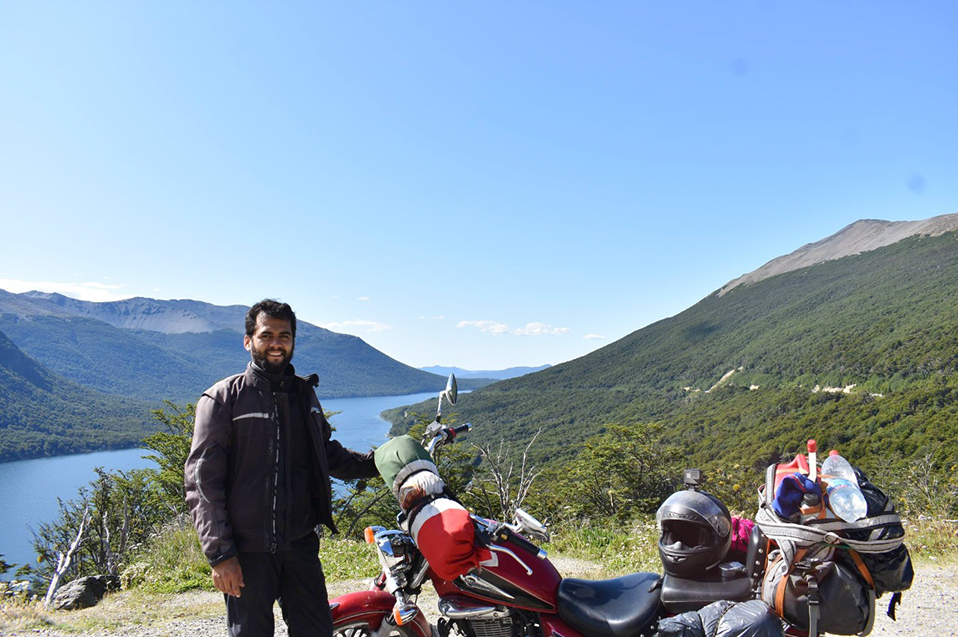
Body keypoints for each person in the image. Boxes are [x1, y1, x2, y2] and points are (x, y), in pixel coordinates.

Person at [185, 299, 378, 636]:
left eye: (284, 336)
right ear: (249, 341)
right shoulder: (223, 399)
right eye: (266, 335)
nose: (276, 343)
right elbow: (202, 482)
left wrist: (381, 463)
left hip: (300, 547)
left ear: (292, 341)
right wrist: (220, 554)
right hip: (246, 553)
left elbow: (327, 455)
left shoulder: (304, 395)